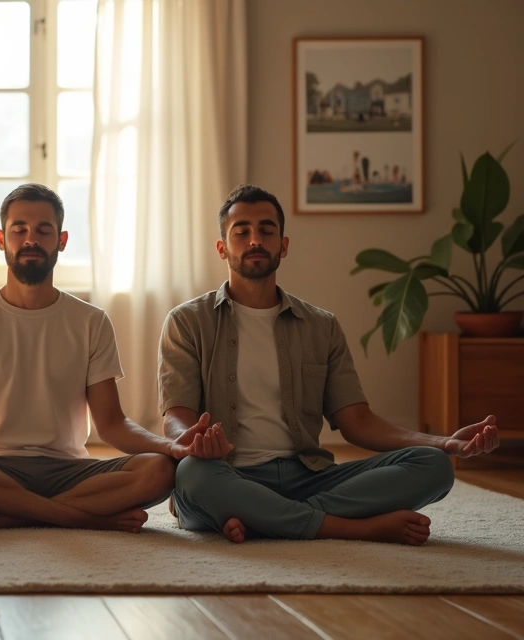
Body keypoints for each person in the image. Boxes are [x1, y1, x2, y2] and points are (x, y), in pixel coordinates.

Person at [161, 184, 499, 545]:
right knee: (191, 476)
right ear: (222, 247)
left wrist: (443, 442)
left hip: (308, 476)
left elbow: (359, 423)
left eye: (266, 230)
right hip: (227, 472)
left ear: (283, 245)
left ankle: (264, 518)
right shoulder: (187, 321)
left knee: (433, 467)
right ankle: (349, 527)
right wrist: (191, 442)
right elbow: (175, 418)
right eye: (241, 231)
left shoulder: (321, 326)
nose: (255, 239)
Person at [0, 183, 225, 533]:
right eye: (19, 230)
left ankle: (5, 516)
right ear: (1, 239)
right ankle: (80, 518)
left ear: (62, 240)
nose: (31, 239)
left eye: (44, 230)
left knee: (161, 470)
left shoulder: (90, 320)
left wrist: (170, 446)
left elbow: (112, 424)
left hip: (69, 471)